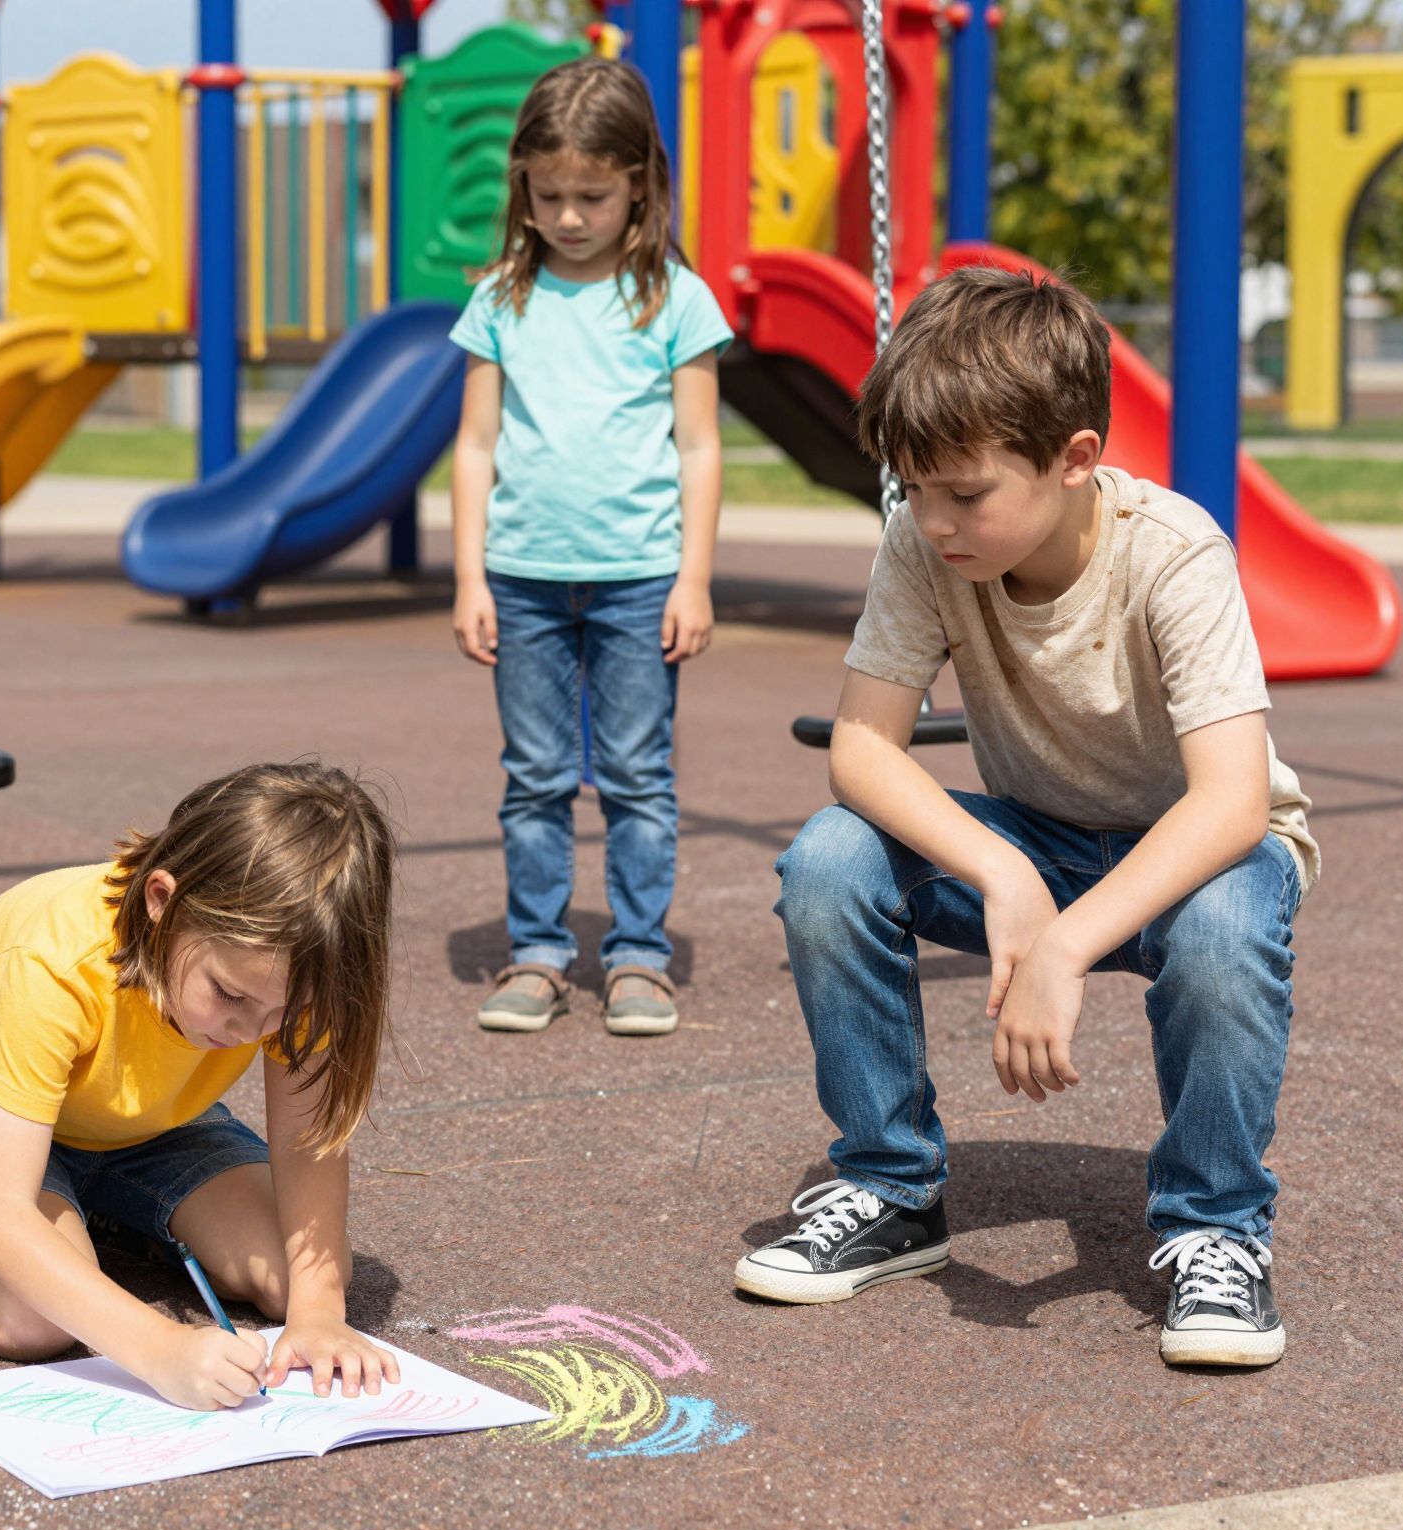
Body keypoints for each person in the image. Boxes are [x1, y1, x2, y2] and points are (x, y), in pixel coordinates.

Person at [734, 267, 1315, 1370]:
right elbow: (861, 748)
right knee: (829, 863)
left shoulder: (1173, 551)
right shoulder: (922, 543)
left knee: (1222, 935)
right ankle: (889, 1188)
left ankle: (1216, 1227)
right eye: (913, 489)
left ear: (1075, 458)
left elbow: (1231, 802)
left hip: (1202, 852)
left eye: (964, 494)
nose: (934, 520)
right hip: (1036, 835)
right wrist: (1007, 880)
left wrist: (1064, 942)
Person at [0, 762, 403, 1410]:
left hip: (153, 1124)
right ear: (162, 901)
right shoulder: (54, 959)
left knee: (301, 1274)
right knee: (28, 1322)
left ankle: (105, 1214)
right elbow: (0, 1211)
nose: (250, 1030)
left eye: (282, 1014)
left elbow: (308, 1142)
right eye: (229, 994)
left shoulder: (306, 959)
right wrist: (160, 1349)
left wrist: (319, 1313)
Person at [448, 56, 732, 1038]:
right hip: (521, 580)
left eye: (592, 197)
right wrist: (468, 576)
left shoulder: (676, 301)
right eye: (547, 195)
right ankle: (536, 953)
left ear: (639, 186)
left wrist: (694, 579)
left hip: (640, 579)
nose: (567, 216)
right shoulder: (500, 300)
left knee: (636, 776)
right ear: (521, 186)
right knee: (532, 776)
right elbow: (474, 445)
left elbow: (699, 447)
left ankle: (638, 957)